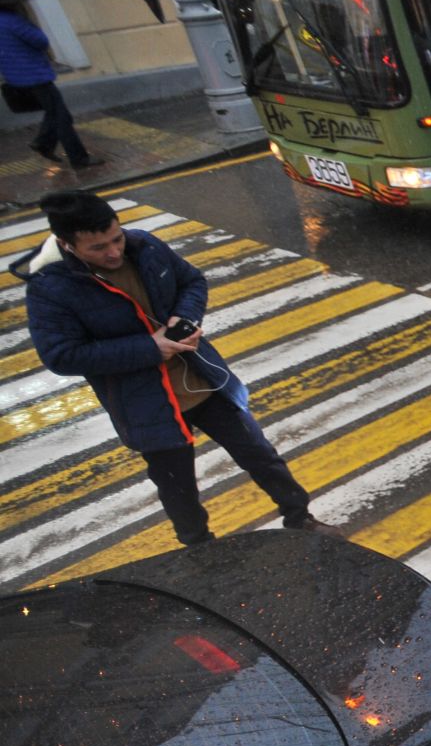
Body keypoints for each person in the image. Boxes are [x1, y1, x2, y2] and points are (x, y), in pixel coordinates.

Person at [19, 189, 340, 546]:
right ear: (67, 245)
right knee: (178, 487)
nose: (113, 253)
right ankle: (199, 549)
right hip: (145, 403)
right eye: (98, 248)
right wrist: (149, 348)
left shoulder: (145, 247)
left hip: (204, 380)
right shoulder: (51, 289)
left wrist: (184, 317)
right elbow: (61, 355)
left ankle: (301, 518)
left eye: (116, 239)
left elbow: (192, 281)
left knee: (261, 456)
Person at [0, 4, 98, 169]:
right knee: (62, 118)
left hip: (16, 77)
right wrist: (31, 24)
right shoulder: (15, 21)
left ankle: (44, 142)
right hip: (35, 75)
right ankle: (79, 159)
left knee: (57, 113)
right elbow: (41, 41)